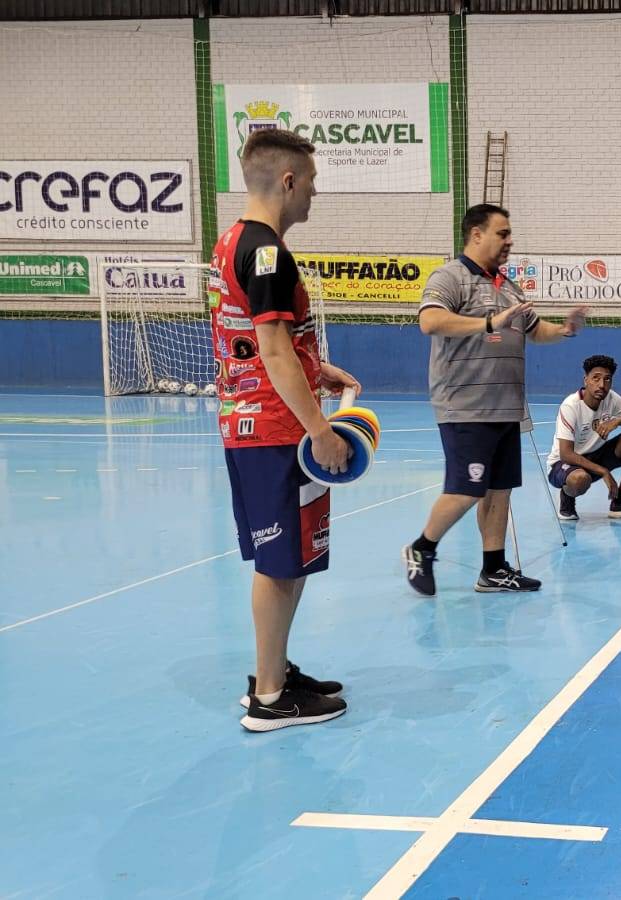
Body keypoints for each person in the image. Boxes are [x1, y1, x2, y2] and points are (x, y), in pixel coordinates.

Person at [212, 128, 361, 732]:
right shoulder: (269, 251)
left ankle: (274, 670)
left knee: (291, 559)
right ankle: (270, 699)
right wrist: (320, 428)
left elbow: (260, 339)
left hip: (256, 423)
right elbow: (272, 351)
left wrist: (312, 365)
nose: (315, 195)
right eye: (314, 183)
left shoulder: (233, 240)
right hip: (276, 432)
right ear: (289, 181)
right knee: (279, 564)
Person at [402, 204, 588, 597]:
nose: (510, 240)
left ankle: (493, 569)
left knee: (498, 490)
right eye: (502, 233)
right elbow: (430, 321)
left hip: (507, 407)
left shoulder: (509, 286)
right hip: (465, 406)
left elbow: (535, 331)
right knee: (467, 489)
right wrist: (489, 322)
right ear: (476, 235)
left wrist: (567, 330)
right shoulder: (450, 277)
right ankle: (422, 549)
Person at [547, 354, 621, 521]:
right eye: (595, 378)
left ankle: (620, 501)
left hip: (597, 456)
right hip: (565, 464)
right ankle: (567, 497)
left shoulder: (611, 398)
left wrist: (617, 420)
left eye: (607, 379)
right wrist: (603, 472)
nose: (601, 385)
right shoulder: (571, 406)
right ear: (586, 380)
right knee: (579, 479)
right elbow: (566, 454)